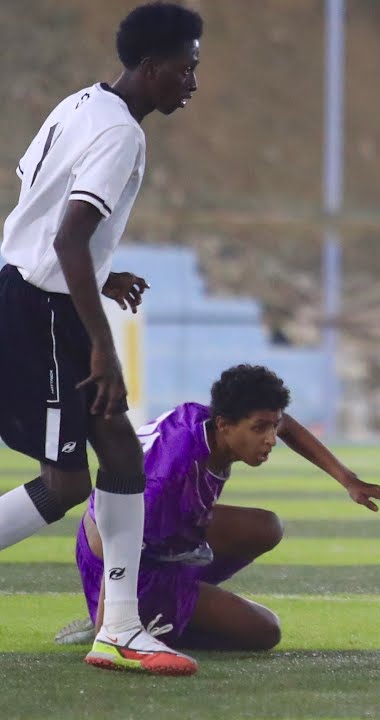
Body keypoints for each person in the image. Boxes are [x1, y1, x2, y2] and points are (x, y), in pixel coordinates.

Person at [0, 1, 203, 675]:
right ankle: (117, 630)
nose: (192, 84)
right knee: (64, 485)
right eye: (185, 69)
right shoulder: (122, 136)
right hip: (46, 307)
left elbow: (35, 194)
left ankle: (119, 627)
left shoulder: (79, 104)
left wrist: (101, 274)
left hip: (29, 288)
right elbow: (67, 236)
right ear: (152, 69)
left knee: (117, 448)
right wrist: (103, 343)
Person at [57, 365, 380, 651]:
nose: (271, 439)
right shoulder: (170, 478)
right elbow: (117, 539)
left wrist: (348, 479)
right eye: (260, 428)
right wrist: (113, 625)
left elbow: (287, 424)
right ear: (225, 425)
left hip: (161, 540)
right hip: (122, 563)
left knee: (266, 527)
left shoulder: (212, 422)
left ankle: (167, 603)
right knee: (265, 632)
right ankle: (139, 618)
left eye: (271, 425)